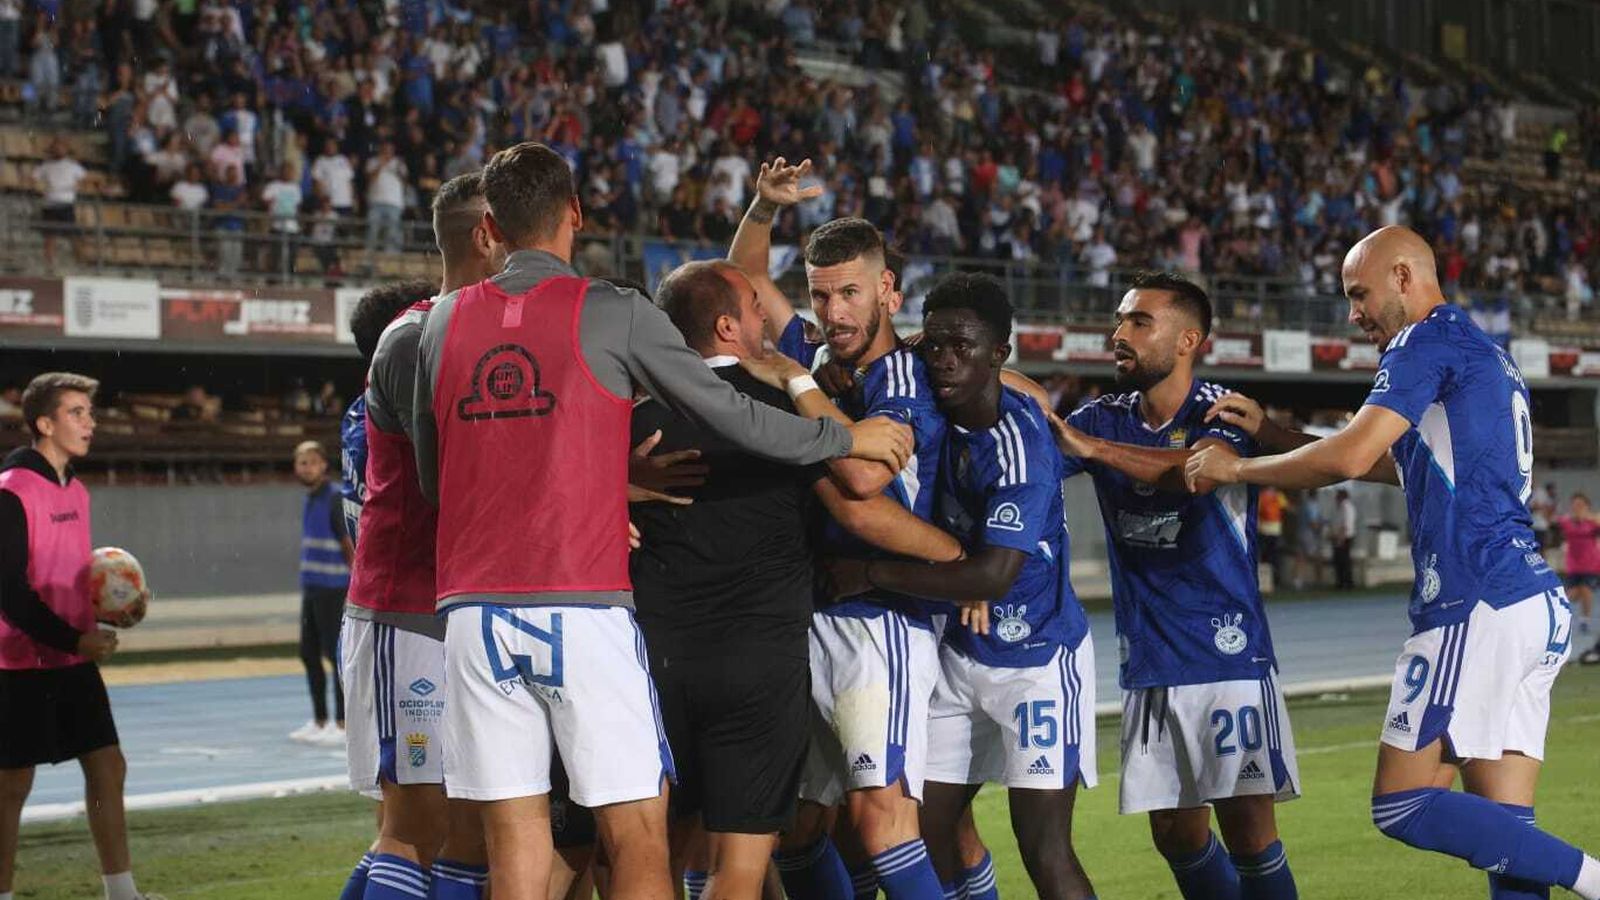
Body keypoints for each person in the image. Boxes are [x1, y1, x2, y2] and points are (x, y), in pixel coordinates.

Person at [409, 142, 911, 900]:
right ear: (574, 214)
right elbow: (730, 412)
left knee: (516, 843)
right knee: (639, 831)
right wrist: (844, 435)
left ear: (489, 226)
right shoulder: (611, 310)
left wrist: (604, 484)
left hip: (473, 614)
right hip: (580, 605)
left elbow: (432, 476)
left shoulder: (440, 324)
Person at [1187, 225, 1600, 900]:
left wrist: (1238, 464)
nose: (1353, 315)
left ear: (1404, 277)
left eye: (1359, 294)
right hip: (1530, 603)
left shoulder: (1421, 341)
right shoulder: (1484, 355)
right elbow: (1392, 464)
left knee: (1402, 805)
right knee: (1508, 836)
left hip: (1475, 602)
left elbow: (1350, 456)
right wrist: (1273, 433)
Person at [634, 260, 965, 900]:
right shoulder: (776, 410)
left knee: (650, 851)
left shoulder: (635, 416)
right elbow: (857, 501)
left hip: (653, 662)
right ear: (730, 326)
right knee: (744, 862)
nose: (772, 319)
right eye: (757, 308)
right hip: (760, 665)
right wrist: (955, 558)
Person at [817, 273, 1099, 900]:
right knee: (924, 831)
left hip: (1036, 658)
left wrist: (868, 573)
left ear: (1000, 353)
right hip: (957, 652)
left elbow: (993, 575)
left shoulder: (1019, 444)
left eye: (964, 347)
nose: (945, 358)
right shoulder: (923, 379)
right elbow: (875, 348)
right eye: (936, 343)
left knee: (1045, 847)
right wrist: (834, 374)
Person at [726, 163, 953, 899]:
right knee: (796, 825)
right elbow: (743, 283)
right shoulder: (822, 356)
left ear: (888, 291)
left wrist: (795, 394)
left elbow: (860, 481)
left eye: (850, 292)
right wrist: (763, 207)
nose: (834, 311)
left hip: (879, 623)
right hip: (812, 613)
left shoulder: (908, 379)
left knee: (882, 815)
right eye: (821, 295)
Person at [1048, 271, 1301, 900]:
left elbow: (1195, 472)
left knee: (1249, 832)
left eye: (1139, 321)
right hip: (1150, 657)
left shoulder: (1221, 410)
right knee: (1175, 834)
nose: (1119, 334)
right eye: (1120, 320)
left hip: (1227, 656)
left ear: (1188, 339)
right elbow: (1045, 450)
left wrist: (1096, 452)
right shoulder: (1103, 415)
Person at [336, 171, 506, 900]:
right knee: (415, 830)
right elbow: (452, 481)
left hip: (449, 611)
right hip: (405, 614)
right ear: (485, 237)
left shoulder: (464, 330)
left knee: (460, 831)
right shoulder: (413, 338)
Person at [0, 372, 163, 900]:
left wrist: (117, 603)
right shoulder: (10, 491)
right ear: (43, 424)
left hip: (70, 660)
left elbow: (76, 575)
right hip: (16, 661)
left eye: (89, 413)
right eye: (76, 413)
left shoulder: (78, 489)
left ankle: (122, 892)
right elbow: (9, 592)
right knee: (10, 786)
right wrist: (76, 640)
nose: (89, 423)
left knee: (107, 765)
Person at [288, 440, 353, 747]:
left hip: (335, 589)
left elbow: (348, 544)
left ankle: (342, 722)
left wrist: (355, 584)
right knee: (309, 654)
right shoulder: (310, 499)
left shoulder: (334, 498)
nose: (307, 467)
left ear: (324, 465)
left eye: (312, 462)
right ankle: (320, 720)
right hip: (312, 589)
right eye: (302, 463)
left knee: (334, 655)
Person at [33, 138, 86, 269]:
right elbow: (33, 179)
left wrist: (78, 186)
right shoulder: (45, 166)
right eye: (56, 148)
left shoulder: (73, 166)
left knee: (74, 235)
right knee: (50, 237)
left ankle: (82, 262)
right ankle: (49, 264)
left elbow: (85, 180)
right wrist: (40, 188)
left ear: (66, 149)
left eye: (61, 147)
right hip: (50, 204)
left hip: (66, 204)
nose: (58, 150)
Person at [1554, 494, 1599, 649]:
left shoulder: (1593, 522)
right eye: (1575, 504)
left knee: (1586, 591)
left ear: (1586, 506)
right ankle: (1561, 620)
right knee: (1571, 595)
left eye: (1580, 504)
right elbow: (1554, 520)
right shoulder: (1566, 522)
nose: (1577, 507)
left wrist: (1588, 517)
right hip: (1573, 566)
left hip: (1591, 565)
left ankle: (1584, 620)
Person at [1258, 487, 1289, 591]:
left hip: (1263, 529)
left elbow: (1258, 510)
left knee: (1264, 557)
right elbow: (1285, 508)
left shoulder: (1262, 495)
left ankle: (1264, 582)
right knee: (1275, 557)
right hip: (1275, 529)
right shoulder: (1278, 495)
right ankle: (1276, 581)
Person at [1331, 489, 1358, 589]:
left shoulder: (1346, 507)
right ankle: (1342, 581)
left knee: (1344, 561)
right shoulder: (1341, 507)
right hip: (1340, 536)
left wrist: (1340, 538)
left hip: (1344, 536)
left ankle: (1346, 582)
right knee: (1339, 560)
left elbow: (1345, 524)